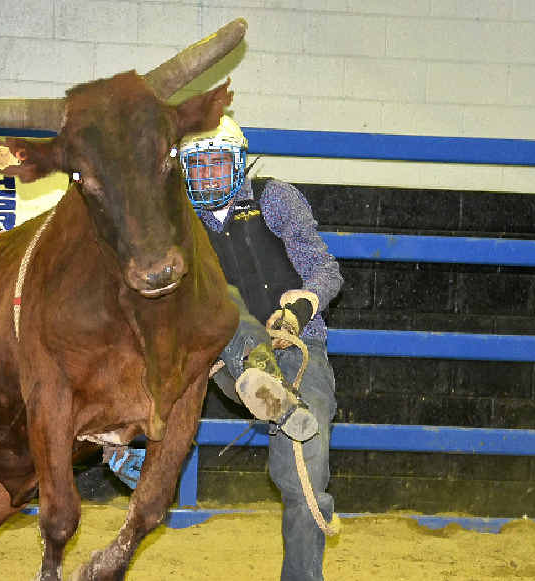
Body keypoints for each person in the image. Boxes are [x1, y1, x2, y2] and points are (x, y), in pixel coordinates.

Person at [107, 116, 343, 581]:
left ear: (239, 163)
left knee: (302, 476)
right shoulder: (175, 225)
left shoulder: (273, 198)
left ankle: (301, 573)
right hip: (223, 351)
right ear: (183, 169)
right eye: (199, 165)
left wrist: (299, 307)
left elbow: (323, 268)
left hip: (297, 344)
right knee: (216, 301)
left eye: (219, 163)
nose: (209, 174)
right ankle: (124, 444)